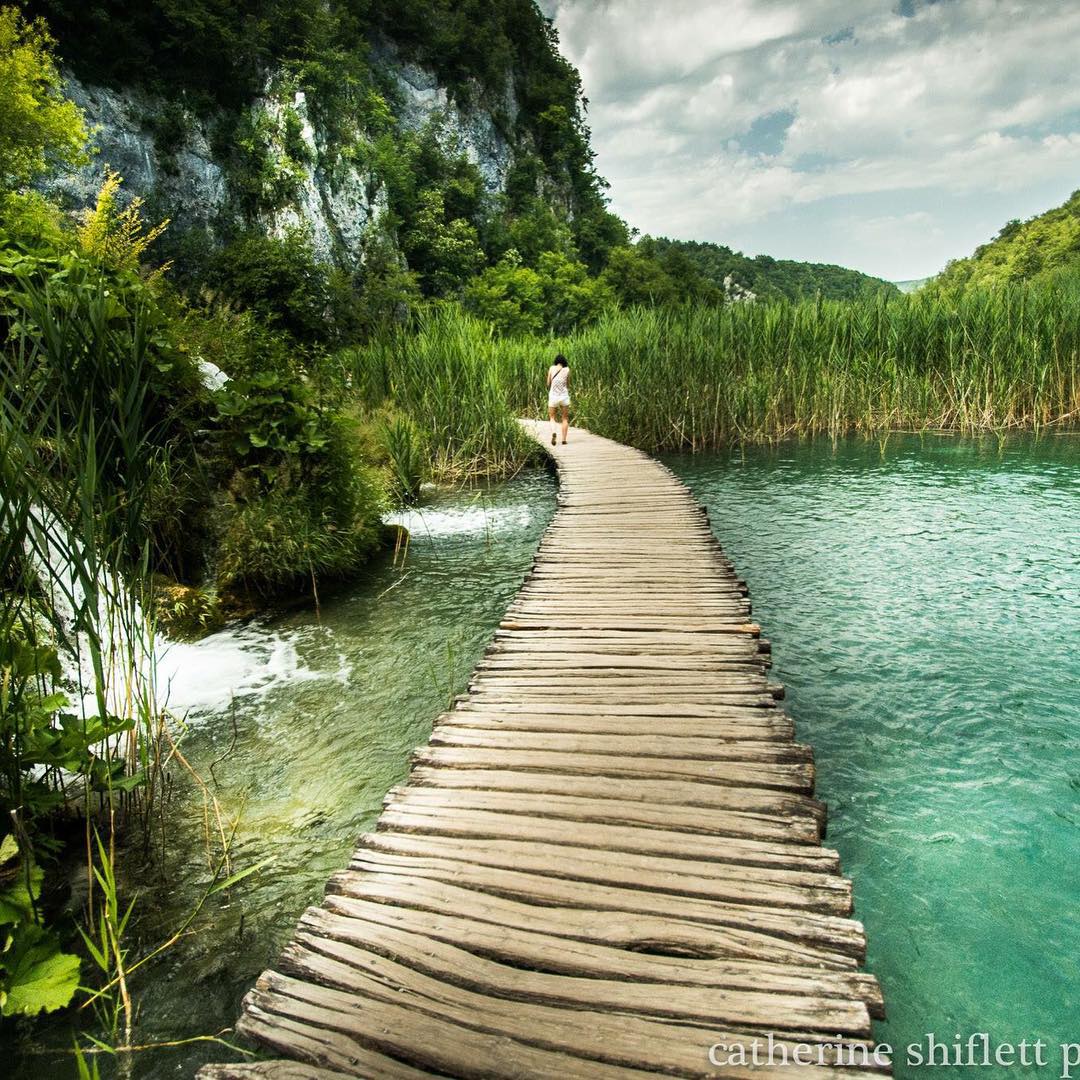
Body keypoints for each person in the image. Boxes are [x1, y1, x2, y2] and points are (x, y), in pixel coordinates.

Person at [546, 354, 570, 445]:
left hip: (553, 396)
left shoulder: (552, 368)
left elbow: (548, 383)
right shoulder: (567, 370)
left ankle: (554, 433)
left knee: (552, 417)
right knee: (565, 418)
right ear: (564, 362)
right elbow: (567, 385)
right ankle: (564, 440)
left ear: (556, 361)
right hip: (564, 396)